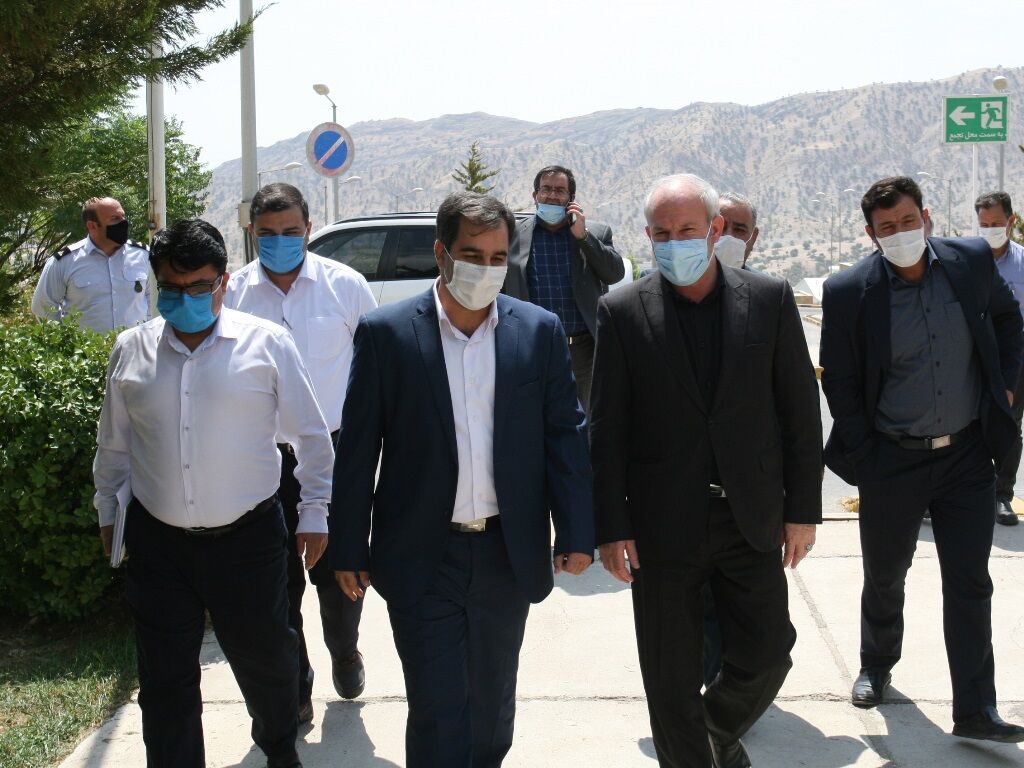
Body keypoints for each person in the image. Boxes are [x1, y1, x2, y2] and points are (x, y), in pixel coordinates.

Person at [330, 192, 595, 768]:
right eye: (472, 255)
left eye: (498, 257)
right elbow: (357, 449)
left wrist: (577, 531)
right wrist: (347, 545)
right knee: (438, 710)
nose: (486, 268)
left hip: (506, 552)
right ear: (441, 253)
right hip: (423, 553)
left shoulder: (538, 331)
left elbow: (565, 437)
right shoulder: (387, 333)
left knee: (493, 707)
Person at [591, 174, 822, 768]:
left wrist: (802, 512)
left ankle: (716, 728)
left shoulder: (768, 299)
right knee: (669, 675)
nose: (676, 243)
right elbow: (607, 430)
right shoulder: (621, 310)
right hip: (662, 525)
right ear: (648, 237)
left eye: (688, 230)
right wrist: (611, 528)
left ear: (716, 229)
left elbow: (799, 413)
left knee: (768, 653)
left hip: (749, 517)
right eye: (663, 234)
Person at [92, 218, 335, 768]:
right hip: (159, 545)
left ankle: (280, 751)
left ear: (223, 282)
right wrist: (109, 510)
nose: (185, 299)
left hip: (247, 542)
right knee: (164, 681)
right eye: (172, 288)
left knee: (267, 664)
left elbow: (312, 438)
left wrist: (315, 512)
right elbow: (114, 445)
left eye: (199, 286)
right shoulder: (132, 350)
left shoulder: (266, 344)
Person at [820, 176, 1024, 743]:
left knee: (970, 582)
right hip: (892, 460)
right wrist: (866, 454)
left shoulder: (969, 262)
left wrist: (1006, 389)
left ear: (926, 217)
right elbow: (839, 380)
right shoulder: (849, 290)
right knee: (886, 574)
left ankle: (976, 709)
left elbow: (1009, 321)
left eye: (909, 221)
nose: (901, 233)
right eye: (887, 227)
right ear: (871, 234)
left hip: (966, 456)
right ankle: (876, 664)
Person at [224, 183, 377, 723]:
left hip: (335, 454)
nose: (279, 241)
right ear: (252, 233)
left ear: (309, 229)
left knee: (340, 575)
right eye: (267, 233)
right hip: (262, 458)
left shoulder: (346, 287)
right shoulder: (234, 294)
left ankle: (345, 650)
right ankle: (297, 688)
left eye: (290, 231)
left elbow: (374, 368)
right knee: (277, 583)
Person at [502, 165, 625, 414]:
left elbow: (614, 273)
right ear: (535, 195)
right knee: (533, 415)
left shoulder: (595, 233)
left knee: (585, 419)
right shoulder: (512, 234)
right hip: (530, 346)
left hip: (582, 352)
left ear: (571, 199)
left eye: (560, 190)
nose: (552, 195)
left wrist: (583, 236)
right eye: (545, 189)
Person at [32, 196, 151, 332]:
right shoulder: (64, 261)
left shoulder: (144, 255)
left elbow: (154, 301)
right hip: (86, 346)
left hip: (135, 345)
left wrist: (147, 335)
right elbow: (43, 308)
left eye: (123, 216)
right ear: (92, 226)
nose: (123, 222)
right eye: (114, 218)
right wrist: (65, 339)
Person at [976, 191, 1023, 526]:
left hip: (1014, 359)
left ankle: (1001, 495)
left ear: (1011, 221)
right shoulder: (968, 260)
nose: (990, 230)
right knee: (967, 425)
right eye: (984, 224)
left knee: (1009, 425)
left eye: (996, 223)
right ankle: (965, 493)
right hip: (975, 356)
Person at [713, 192, 760, 269]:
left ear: (753, 238)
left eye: (739, 230)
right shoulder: (690, 275)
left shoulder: (759, 278)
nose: (728, 237)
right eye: (720, 227)